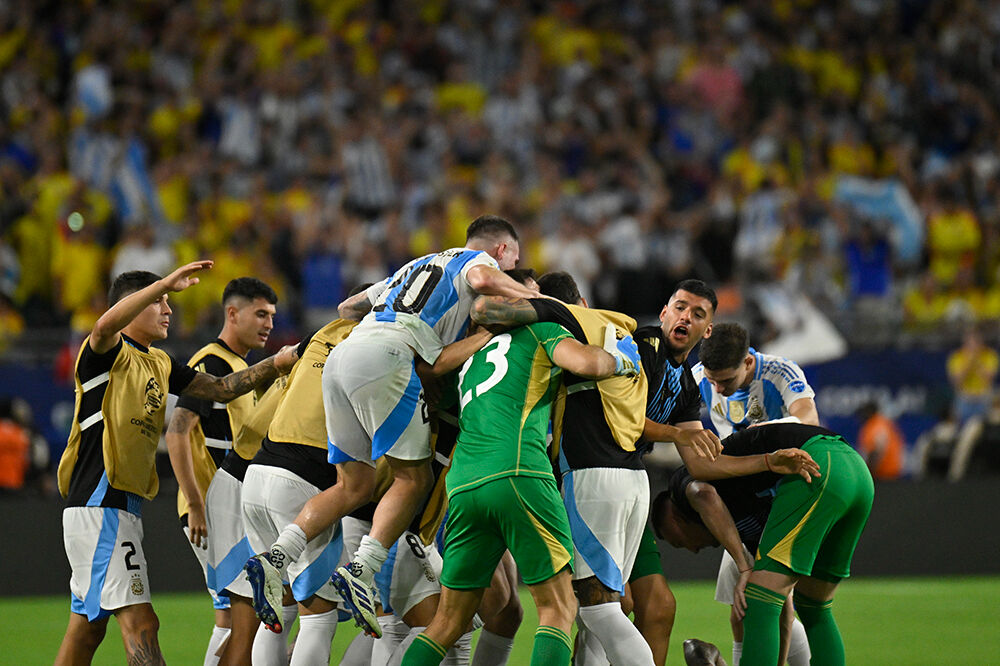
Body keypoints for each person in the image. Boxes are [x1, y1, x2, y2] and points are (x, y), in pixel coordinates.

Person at [246, 215, 539, 638]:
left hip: (348, 355)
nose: (511, 269)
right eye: (512, 260)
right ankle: (363, 569)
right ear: (500, 251)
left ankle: (276, 557)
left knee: (354, 486)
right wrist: (537, 300)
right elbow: (485, 280)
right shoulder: (478, 262)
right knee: (412, 478)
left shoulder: (413, 266)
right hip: (390, 357)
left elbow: (348, 308)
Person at [54, 262, 297, 666]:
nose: (168, 309)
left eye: (167, 301)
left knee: (86, 630)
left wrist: (277, 363)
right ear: (133, 305)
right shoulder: (104, 354)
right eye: (160, 302)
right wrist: (163, 282)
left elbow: (221, 388)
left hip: (120, 507)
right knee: (142, 624)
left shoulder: (160, 362)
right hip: (100, 503)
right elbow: (101, 329)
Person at [400, 303, 643, 666]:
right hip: (519, 473)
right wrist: (620, 360)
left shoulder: (469, 357)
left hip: (464, 487)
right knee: (558, 607)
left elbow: (434, 393)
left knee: (447, 623)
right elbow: (588, 364)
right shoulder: (540, 332)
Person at [653, 423, 873, 666]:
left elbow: (704, 495)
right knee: (813, 606)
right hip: (856, 473)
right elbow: (782, 606)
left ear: (673, 519)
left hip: (813, 464)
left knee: (758, 600)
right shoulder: (753, 527)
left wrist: (745, 567)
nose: (692, 550)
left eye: (678, 542)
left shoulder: (681, 489)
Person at [239, 299, 363, 666]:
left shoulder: (317, 337)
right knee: (320, 616)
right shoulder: (368, 347)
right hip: (302, 484)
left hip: (258, 474)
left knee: (280, 610)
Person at [165, 277, 278, 666]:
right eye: (260, 313)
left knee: (234, 617)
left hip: (230, 510)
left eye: (273, 316)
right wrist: (196, 504)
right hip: (214, 512)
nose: (269, 324)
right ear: (232, 313)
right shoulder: (210, 364)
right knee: (243, 617)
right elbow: (177, 433)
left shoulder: (238, 367)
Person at [692, 322, 818, 665]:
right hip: (740, 500)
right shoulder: (701, 377)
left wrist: (759, 435)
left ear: (747, 362)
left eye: (725, 381)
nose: (716, 388)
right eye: (712, 379)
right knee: (743, 608)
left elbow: (809, 419)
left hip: (783, 499)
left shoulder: (779, 372)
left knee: (770, 602)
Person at [629, 279, 723, 666]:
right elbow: (624, 421)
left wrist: (762, 460)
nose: (686, 316)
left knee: (659, 606)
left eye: (698, 314)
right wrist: (674, 436)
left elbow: (702, 456)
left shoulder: (687, 384)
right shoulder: (642, 347)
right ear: (665, 313)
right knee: (611, 603)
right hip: (589, 475)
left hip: (631, 481)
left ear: (707, 330)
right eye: (680, 307)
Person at [947, 326, 999, 425]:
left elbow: (989, 379)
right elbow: (956, 381)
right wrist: (968, 364)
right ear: (964, 343)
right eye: (970, 343)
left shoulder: (990, 355)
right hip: (965, 397)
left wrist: (977, 362)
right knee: (957, 411)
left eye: (976, 342)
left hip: (983, 397)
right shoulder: (956, 357)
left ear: (981, 343)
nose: (973, 346)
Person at [855, 401, 906, 480]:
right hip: (891, 474)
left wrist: (868, 473)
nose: (862, 415)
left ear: (870, 412)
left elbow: (877, 449)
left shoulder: (876, 424)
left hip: (884, 476)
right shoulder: (885, 423)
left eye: (864, 412)